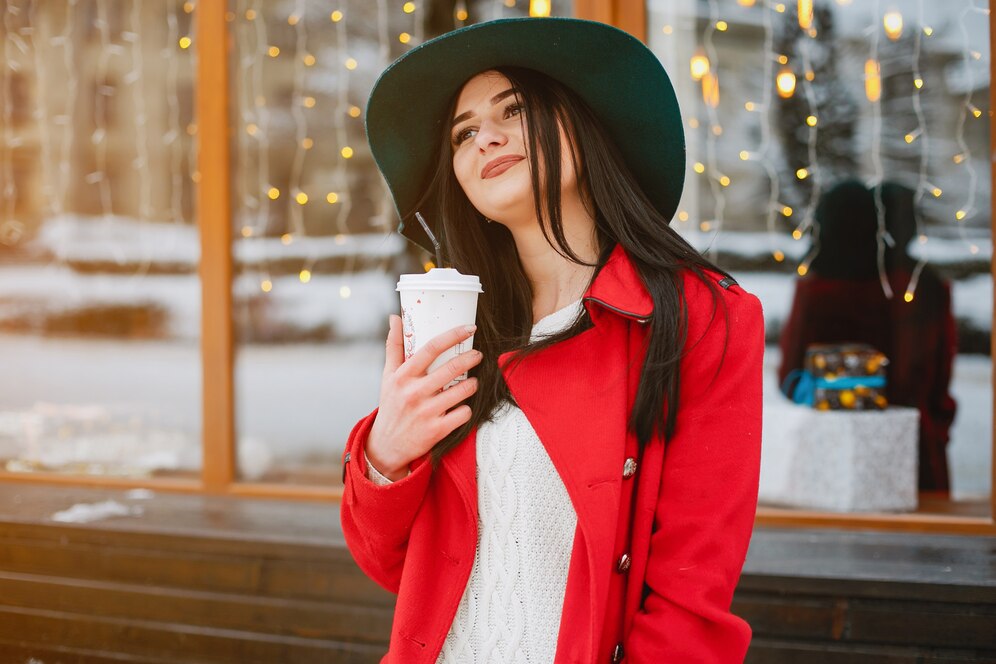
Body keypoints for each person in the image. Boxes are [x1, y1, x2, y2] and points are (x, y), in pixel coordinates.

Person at [340, 17, 764, 663]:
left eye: (515, 108)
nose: (487, 137)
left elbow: (689, 601)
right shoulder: (460, 328)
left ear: (582, 126)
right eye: (464, 133)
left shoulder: (701, 318)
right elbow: (394, 568)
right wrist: (386, 454)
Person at [778, 179, 957, 493]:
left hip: (828, 455)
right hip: (914, 452)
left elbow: (789, 377)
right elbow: (938, 382)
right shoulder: (919, 289)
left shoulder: (815, 291)